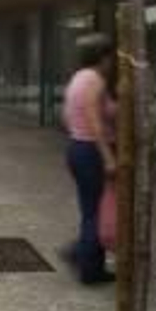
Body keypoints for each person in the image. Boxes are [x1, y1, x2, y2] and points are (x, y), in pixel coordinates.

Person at [60, 34, 118, 286]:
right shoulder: (95, 80)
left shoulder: (78, 78)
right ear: (102, 57)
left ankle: (86, 259)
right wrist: (107, 157)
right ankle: (87, 265)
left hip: (77, 147)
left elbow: (66, 115)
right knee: (96, 212)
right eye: (110, 57)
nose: (112, 62)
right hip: (91, 150)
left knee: (90, 209)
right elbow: (95, 121)